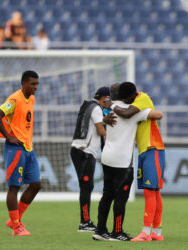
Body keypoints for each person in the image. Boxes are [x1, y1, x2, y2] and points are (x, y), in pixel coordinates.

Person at [93, 83, 164, 241]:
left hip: (106, 156)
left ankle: (100, 230)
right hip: (122, 160)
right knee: (120, 197)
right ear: (126, 96)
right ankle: (117, 232)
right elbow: (158, 115)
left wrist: (107, 113)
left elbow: (102, 120)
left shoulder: (107, 111)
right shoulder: (131, 112)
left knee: (107, 195)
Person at [0, 70, 41, 236]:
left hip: (28, 147)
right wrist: (8, 137)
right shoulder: (14, 99)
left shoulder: (32, 99)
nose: (35, 87)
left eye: (37, 84)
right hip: (15, 149)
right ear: (23, 84)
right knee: (14, 187)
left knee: (36, 184)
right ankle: (16, 225)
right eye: (32, 84)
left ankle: (16, 219)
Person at [70, 86, 108, 232]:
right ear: (105, 98)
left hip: (79, 150)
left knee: (86, 187)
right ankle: (84, 223)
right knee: (86, 187)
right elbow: (100, 130)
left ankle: (85, 221)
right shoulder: (97, 108)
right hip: (85, 152)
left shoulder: (88, 105)